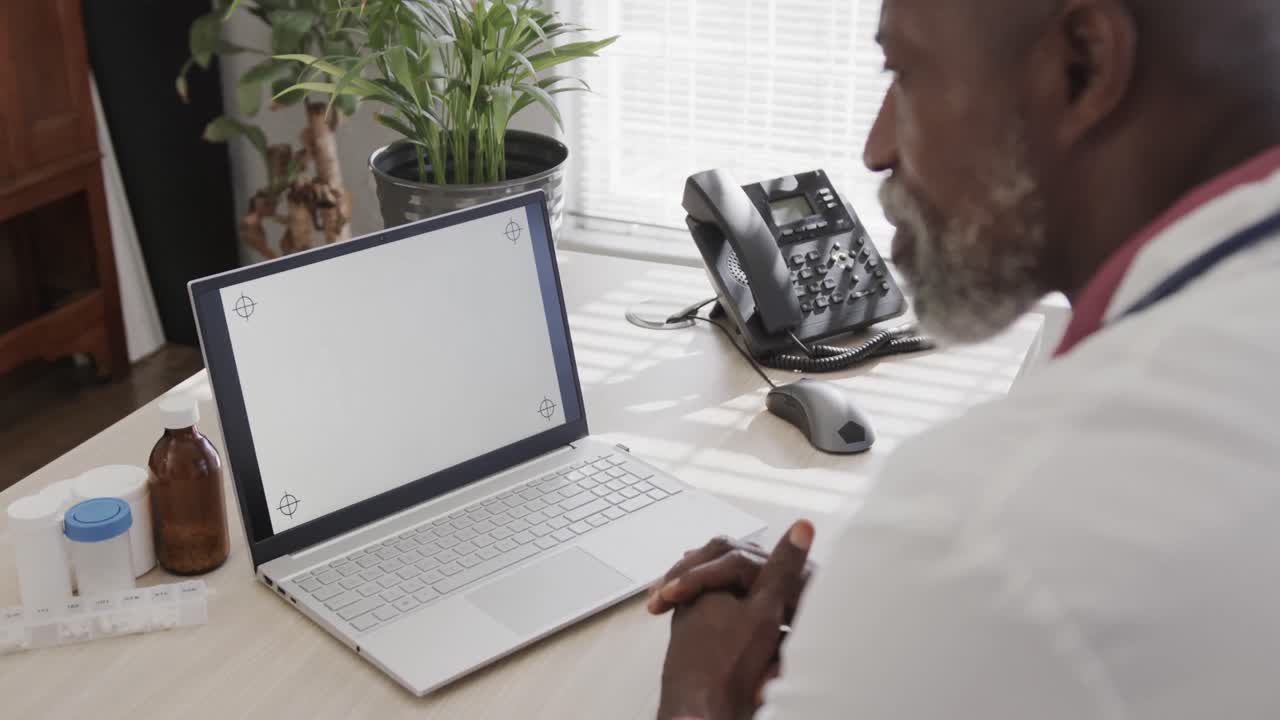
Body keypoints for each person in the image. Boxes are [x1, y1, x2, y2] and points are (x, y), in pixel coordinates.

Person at [649, 0, 1280, 717]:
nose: (876, 146)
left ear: (1083, 63)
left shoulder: (992, 525)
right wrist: (911, 635)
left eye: (905, 72)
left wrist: (698, 708)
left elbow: (1011, 568)